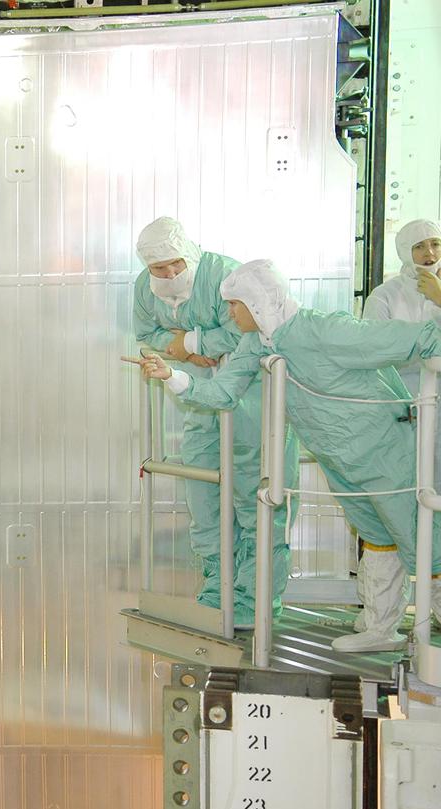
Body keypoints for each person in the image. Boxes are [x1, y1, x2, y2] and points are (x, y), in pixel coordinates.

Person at [140, 259, 441, 651]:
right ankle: (382, 628)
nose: (229, 314)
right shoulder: (259, 341)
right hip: (339, 458)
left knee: (421, 539)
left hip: (383, 450)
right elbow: (224, 392)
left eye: (234, 305)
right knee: (377, 535)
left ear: (258, 302)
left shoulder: (324, 329)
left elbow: (414, 338)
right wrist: (173, 376)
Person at [132, 218, 296, 626]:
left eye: (174, 265)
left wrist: (187, 343)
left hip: (250, 401)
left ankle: (253, 599)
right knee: (203, 497)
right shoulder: (143, 288)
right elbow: (146, 333)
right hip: (200, 399)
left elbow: (244, 332)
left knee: (254, 501)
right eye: (159, 269)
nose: (169, 275)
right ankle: (217, 589)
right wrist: (188, 352)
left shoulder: (224, 275)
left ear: (189, 254)